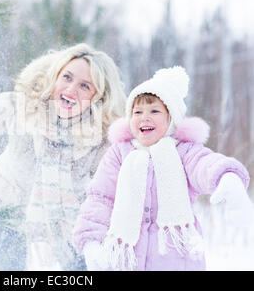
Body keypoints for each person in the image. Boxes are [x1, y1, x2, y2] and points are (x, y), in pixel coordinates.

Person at [0, 43, 127, 270]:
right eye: (67, 77)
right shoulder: (23, 106)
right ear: (54, 76)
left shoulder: (101, 138)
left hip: (67, 218)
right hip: (8, 209)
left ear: (98, 97)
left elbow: (115, 186)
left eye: (85, 86)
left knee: (82, 268)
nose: (71, 90)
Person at [72, 66, 252, 271]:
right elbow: (101, 198)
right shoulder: (119, 154)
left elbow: (205, 164)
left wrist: (227, 177)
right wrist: (91, 240)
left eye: (154, 111)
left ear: (171, 118)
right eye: (137, 111)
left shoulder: (184, 152)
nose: (144, 117)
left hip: (175, 258)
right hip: (126, 259)